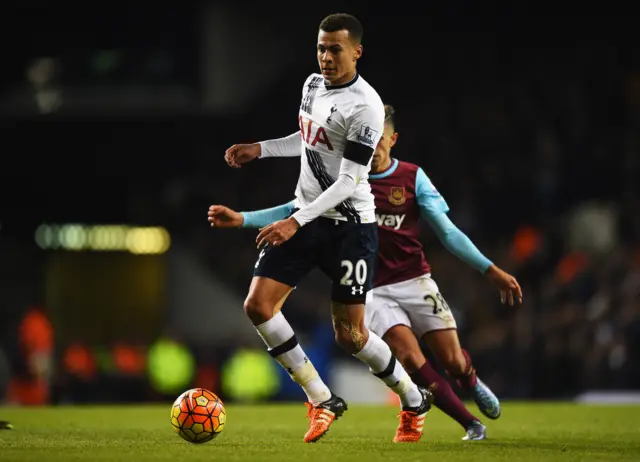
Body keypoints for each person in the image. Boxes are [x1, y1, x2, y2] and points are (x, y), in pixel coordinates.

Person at [210, 104, 524, 441]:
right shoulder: (343, 178)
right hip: (373, 287)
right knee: (408, 356)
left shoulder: (411, 177)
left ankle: (470, 380)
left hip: (414, 279)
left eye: (380, 141)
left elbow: (447, 232)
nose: (372, 150)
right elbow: (296, 209)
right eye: (367, 142)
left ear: (393, 139)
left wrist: (488, 268)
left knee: (453, 361)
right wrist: (244, 218)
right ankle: (470, 424)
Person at [220, 14, 432, 444]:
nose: (326, 56)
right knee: (258, 306)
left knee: (351, 335)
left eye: (335, 49)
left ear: (356, 51)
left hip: (349, 227)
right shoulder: (312, 85)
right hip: (306, 217)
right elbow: (310, 138)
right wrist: (260, 149)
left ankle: (412, 400)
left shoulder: (366, 106)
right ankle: (321, 399)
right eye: (321, 47)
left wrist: (292, 222)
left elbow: (350, 180)